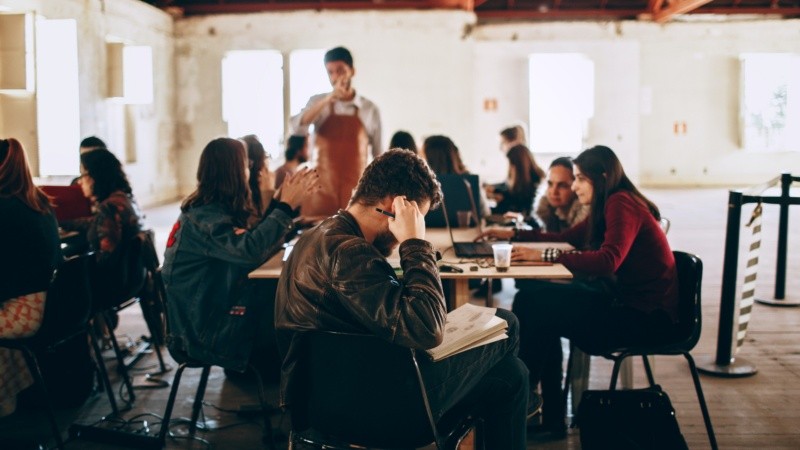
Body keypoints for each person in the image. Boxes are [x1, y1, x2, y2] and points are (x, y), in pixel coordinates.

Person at [275, 149, 529, 449]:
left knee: (508, 365)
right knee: (510, 358)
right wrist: (415, 243)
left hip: (325, 401)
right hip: (376, 409)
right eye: (415, 217)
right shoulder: (350, 253)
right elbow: (425, 329)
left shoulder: (316, 236)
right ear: (394, 206)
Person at [478, 145, 679, 438]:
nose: (574, 186)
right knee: (533, 300)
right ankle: (535, 407)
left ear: (602, 177)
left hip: (647, 320)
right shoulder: (610, 203)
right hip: (627, 306)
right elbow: (564, 238)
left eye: (579, 179)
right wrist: (513, 234)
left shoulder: (621, 203)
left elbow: (609, 260)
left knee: (536, 307)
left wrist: (544, 256)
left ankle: (527, 403)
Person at [162, 137, 319, 375]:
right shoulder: (204, 219)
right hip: (203, 334)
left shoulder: (211, 211)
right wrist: (284, 206)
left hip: (209, 319)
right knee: (298, 317)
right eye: (246, 166)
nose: (250, 172)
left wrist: (279, 203)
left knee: (290, 301)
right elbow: (251, 250)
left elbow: (253, 246)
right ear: (233, 172)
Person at [0, 138, 62, 417]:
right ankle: (8, 395)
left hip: (23, 315)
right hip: (49, 306)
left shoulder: (5, 209)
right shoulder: (39, 203)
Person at [290, 46, 382, 217]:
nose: (335, 77)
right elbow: (297, 126)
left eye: (340, 70)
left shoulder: (369, 109)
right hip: (319, 191)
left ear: (352, 71)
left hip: (356, 192)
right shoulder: (318, 102)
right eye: (330, 72)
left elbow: (378, 154)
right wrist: (329, 99)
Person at [61, 148, 144, 307]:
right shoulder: (121, 200)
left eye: (83, 175)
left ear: (95, 177)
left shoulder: (109, 209)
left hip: (111, 286)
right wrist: (64, 222)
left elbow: (105, 261)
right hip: (132, 280)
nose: (79, 181)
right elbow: (96, 223)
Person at [421, 135, 490, 218]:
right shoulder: (469, 180)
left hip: (429, 230)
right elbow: (485, 213)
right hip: (468, 230)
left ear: (429, 158)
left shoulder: (422, 183)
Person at [489, 144, 545, 225]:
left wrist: (502, 200)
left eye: (511, 165)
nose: (509, 169)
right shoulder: (523, 184)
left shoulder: (536, 186)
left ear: (518, 166)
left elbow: (527, 215)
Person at [534, 156, 588, 233]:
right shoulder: (546, 210)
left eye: (562, 185)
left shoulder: (586, 214)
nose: (554, 192)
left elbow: (568, 238)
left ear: (575, 186)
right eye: (550, 184)